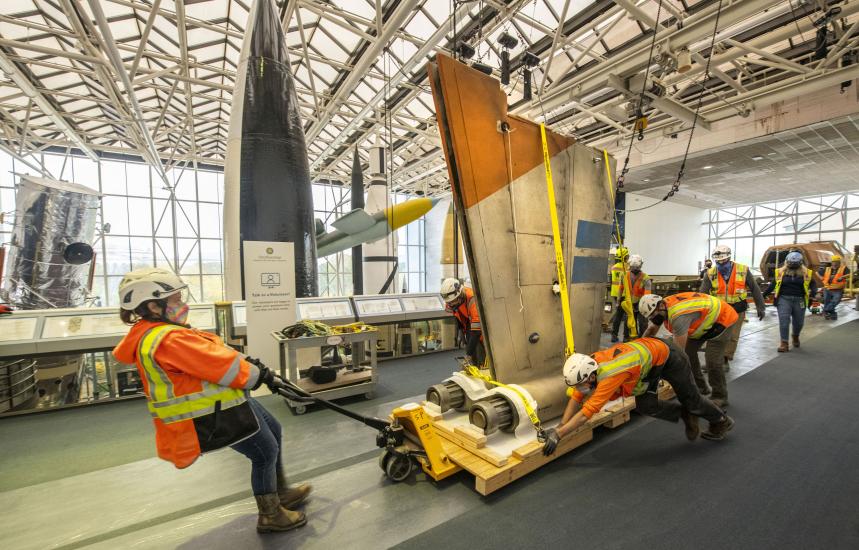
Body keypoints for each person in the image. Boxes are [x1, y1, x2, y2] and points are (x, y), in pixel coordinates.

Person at [112, 267, 310, 533]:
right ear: (153, 305)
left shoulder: (161, 330)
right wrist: (257, 374)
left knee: (274, 429)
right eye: (175, 299)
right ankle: (271, 514)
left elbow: (213, 352)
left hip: (227, 401)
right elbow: (219, 366)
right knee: (265, 452)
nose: (182, 304)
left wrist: (247, 363)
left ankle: (280, 492)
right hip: (211, 415)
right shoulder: (168, 339)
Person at [540, 338, 734, 456]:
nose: (581, 388)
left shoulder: (610, 375)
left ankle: (721, 421)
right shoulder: (589, 365)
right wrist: (560, 426)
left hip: (671, 358)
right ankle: (685, 414)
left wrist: (559, 435)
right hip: (650, 365)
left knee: (692, 400)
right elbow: (576, 396)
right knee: (646, 405)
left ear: (591, 376)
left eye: (581, 384)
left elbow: (587, 412)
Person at [639, 292, 738, 409]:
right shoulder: (663, 308)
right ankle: (701, 388)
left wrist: (661, 369)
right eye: (650, 317)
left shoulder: (678, 317)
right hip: (704, 322)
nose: (653, 319)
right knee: (690, 354)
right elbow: (651, 329)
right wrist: (640, 348)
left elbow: (678, 352)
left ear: (660, 306)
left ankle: (720, 396)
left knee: (712, 360)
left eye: (653, 315)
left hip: (723, 320)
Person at [699, 245, 766, 369]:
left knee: (732, 336)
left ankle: (724, 361)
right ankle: (712, 362)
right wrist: (699, 310)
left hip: (737, 308)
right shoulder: (710, 273)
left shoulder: (743, 270)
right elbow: (702, 294)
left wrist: (760, 307)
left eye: (723, 261)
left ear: (729, 258)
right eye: (718, 262)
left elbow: (755, 289)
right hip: (719, 310)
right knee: (714, 335)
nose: (721, 264)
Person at [763, 252, 822, 352]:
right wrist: (762, 295)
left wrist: (815, 293)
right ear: (787, 263)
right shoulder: (780, 272)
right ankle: (784, 343)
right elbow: (772, 285)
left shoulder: (806, 272)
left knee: (799, 322)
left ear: (800, 263)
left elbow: (812, 284)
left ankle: (795, 336)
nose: (792, 267)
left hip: (800, 300)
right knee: (784, 321)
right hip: (783, 299)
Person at [440, 277, 484, 366]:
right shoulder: (453, 300)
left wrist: (468, 355)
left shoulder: (472, 299)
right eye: (450, 303)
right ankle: (475, 364)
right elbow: (457, 315)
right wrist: (461, 332)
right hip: (468, 321)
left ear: (460, 294)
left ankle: (481, 364)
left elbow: (476, 332)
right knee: (471, 343)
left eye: (453, 302)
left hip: (480, 326)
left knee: (480, 348)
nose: (451, 304)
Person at [615, 254, 651, 341]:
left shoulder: (646, 278)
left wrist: (645, 307)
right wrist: (618, 300)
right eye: (633, 267)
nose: (635, 270)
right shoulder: (624, 275)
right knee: (629, 321)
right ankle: (626, 338)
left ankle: (642, 339)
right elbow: (621, 288)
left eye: (636, 267)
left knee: (642, 323)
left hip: (641, 303)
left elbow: (647, 295)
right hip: (629, 302)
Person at [819, 254, 850, 320]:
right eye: (833, 262)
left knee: (835, 301)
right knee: (827, 301)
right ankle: (832, 315)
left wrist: (842, 277)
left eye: (836, 262)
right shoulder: (827, 269)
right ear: (831, 263)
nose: (835, 264)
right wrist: (821, 278)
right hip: (827, 289)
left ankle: (826, 310)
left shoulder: (844, 268)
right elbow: (818, 273)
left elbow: (849, 274)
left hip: (838, 290)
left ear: (839, 263)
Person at [610, 246, 630, 343]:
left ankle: (614, 336)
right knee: (627, 315)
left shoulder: (613, 267)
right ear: (625, 257)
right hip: (625, 294)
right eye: (627, 256)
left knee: (618, 315)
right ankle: (626, 337)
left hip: (615, 294)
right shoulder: (627, 268)